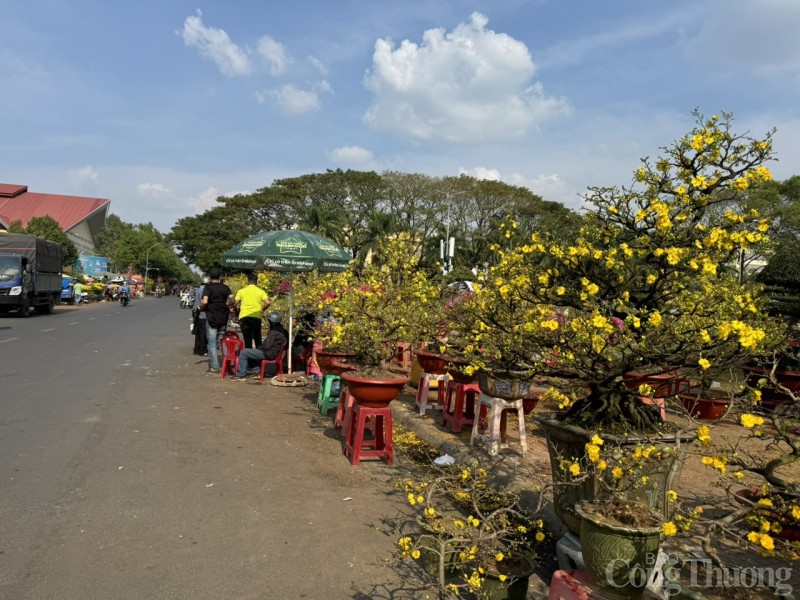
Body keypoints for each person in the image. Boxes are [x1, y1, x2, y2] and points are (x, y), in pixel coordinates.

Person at [230, 311, 288, 380]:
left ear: (272, 321)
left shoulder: (274, 331)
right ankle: (256, 371)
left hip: (269, 354)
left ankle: (240, 375)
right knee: (251, 352)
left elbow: (266, 346)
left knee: (244, 352)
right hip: (274, 353)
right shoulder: (283, 330)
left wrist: (258, 348)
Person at [199, 268, 234, 373]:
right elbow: (233, 300)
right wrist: (227, 304)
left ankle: (215, 367)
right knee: (223, 342)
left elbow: (205, 302)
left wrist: (200, 308)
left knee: (212, 344)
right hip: (223, 317)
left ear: (210, 277)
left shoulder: (208, 287)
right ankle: (227, 365)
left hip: (212, 317)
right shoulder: (225, 287)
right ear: (220, 277)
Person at [233, 272, 270, 348]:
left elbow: (234, 303)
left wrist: (236, 311)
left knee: (247, 340)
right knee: (257, 339)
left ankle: (248, 357)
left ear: (248, 281)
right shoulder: (261, 291)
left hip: (244, 317)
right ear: (256, 281)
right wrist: (262, 309)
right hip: (256, 317)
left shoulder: (241, 291)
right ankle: (258, 358)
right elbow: (268, 303)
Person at [192, 276, 209, 356]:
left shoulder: (198, 290)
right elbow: (204, 302)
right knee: (203, 333)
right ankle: (202, 350)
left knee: (198, 332)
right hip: (202, 314)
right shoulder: (204, 290)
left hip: (197, 314)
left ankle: (196, 349)